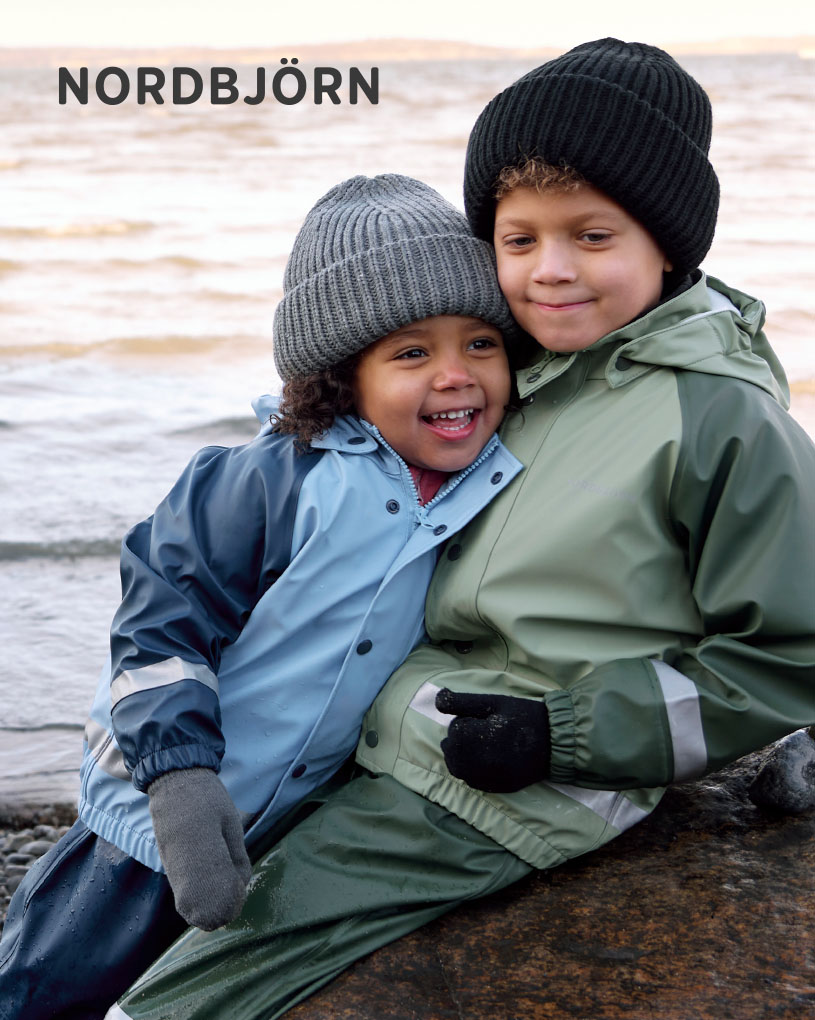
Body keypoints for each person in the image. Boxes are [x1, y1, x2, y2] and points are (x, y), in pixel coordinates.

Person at [104, 39, 815, 1020]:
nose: (549, 272)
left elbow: (787, 652)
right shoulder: (528, 367)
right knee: (121, 892)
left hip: (500, 785)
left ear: (668, 241)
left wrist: (561, 733)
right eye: (517, 241)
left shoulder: (718, 418)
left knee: (193, 986)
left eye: (592, 237)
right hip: (396, 731)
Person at [0, 173, 522, 1019]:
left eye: (482, 344)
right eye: (412, 354)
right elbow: (161, 623)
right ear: (341, 375)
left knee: (195, 996)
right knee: (50, 988)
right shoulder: (271, 479)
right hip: (153, 819)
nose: (456, 376)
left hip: (290, 827)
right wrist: (178, 779)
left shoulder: (487, 488)